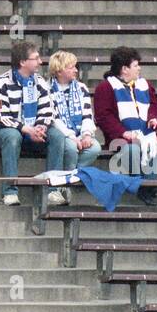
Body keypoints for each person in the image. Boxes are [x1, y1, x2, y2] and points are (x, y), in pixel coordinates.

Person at [0, 40, 66, 206]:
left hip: (32, 132)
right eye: (35, 58)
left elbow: (49, 109)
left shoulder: (39, 81)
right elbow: (0, 116)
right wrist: (26, 129)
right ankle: (10, 191)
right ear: (22, 62)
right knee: (12, 135)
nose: (40, 62)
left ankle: (53, 190)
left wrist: (41, 126)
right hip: (0, 133)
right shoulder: (1, 82)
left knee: (57, 136)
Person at [93, 46, 157, 206]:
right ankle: (141, 188)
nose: (139, 68)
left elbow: (155, 107)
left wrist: (154, 119)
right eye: (136, 65)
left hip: (146, 134)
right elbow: (104, 116)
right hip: (120, 138)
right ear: (125, 69)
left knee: (156, 146)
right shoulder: (105, 87)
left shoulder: (145, 85)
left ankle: (148, 189)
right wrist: (123, 133)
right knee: (132, 149)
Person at [46, 50, 102, 206]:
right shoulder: (46, 89)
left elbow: (87, 114)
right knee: (71, 148)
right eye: (71, 67)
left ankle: (65, 179)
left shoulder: (81, 88)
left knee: (95, 148)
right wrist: (72, 136)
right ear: (59, 70)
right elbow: (54, 119)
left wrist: (87, 135)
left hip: (80, 133)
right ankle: (63, 187)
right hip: (63, 134)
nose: (76, 70)